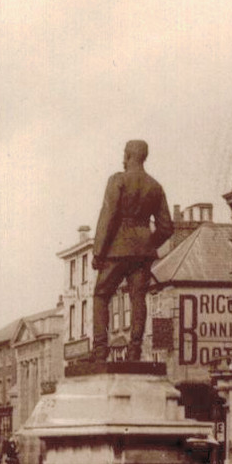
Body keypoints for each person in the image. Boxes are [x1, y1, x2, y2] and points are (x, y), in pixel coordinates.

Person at [91, 140, 176, 361]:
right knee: (138, 298)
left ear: (128, 156)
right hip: (142, 254)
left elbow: (108, 216)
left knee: (101, 295)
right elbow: (167, 227)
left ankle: (100, 349)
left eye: (124, 154)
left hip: (116, 250)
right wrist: (148, 243)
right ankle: (135, 350)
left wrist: (99, 251)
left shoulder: (117, 180)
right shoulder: (155, 186)